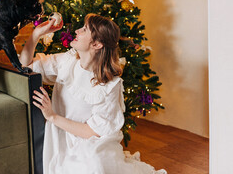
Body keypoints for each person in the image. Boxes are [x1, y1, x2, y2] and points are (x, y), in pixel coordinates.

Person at [20, 14, 167, 174]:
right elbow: (24, 65)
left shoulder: (110, 85)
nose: (76, 30)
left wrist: (52, 116)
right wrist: (36, 34)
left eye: (84, 29)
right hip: (60, 138)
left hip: (89, 142)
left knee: (94, 166)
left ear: (96, 44)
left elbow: (93, 131)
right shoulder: (66, 62)